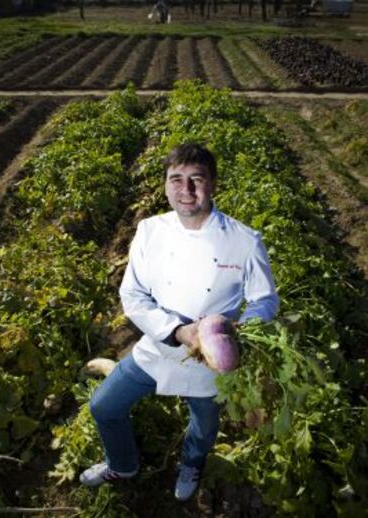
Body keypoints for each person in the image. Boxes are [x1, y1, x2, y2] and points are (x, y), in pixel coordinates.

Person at [80, 143, 279, 501]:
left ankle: (191, 464)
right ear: (165, 185)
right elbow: (133, 295)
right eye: (177, 179)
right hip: (158, 349)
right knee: (104, 407)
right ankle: (122, 464)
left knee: (203, 427)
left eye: (196, 180)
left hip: (210, 363)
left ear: (213, 184)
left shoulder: (245, 241)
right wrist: (177, 331)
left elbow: (265, 299)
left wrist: (238, 332)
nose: (186, 190)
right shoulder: (150, 231)